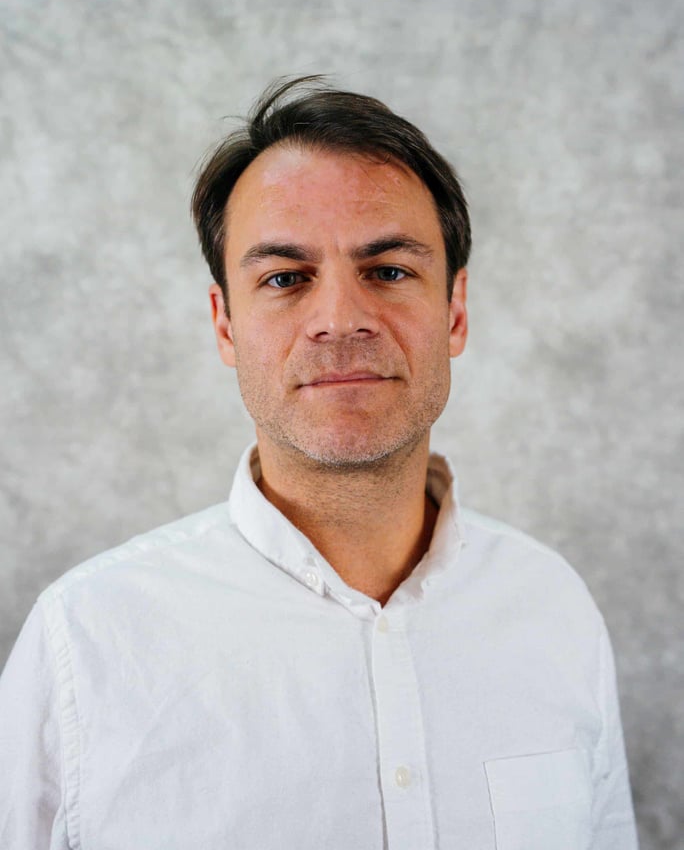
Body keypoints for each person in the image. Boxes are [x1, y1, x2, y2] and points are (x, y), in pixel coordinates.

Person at [0, 77, 638, 849]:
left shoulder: (553, 609)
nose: (340, 319)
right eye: (284, 278)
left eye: (390, 270)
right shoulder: (86, 644)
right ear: (225, 326)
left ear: (456, 311)